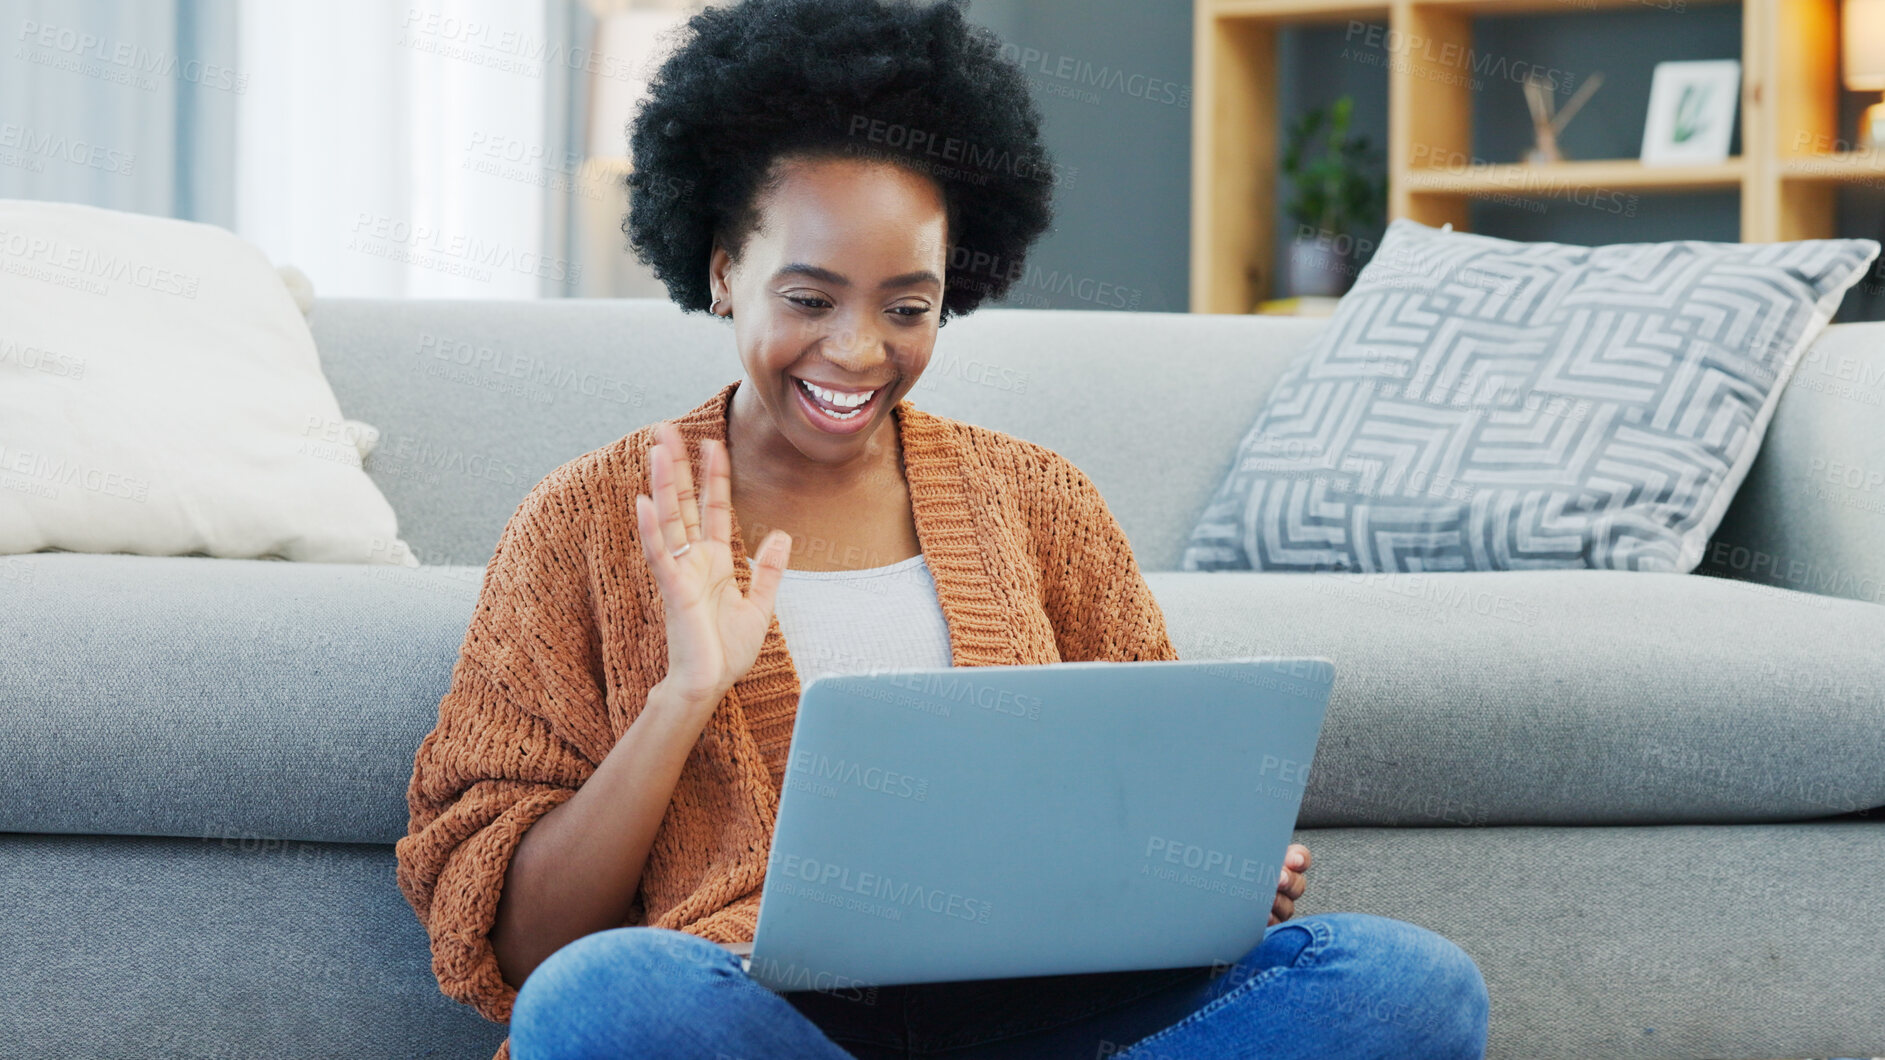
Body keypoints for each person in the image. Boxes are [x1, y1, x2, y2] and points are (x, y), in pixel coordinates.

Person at [393, 1, 1490, 1057]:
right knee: (602, 999)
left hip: (1055, 1010)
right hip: (760, 1012)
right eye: (810, 299)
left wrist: (1207, 870)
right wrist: (683, 696)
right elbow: (524, 948)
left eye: (906, 308)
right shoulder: (582, 523)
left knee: (1407, 982)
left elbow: (1154, 804)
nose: (858, 352)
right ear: (724, 272)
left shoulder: (1040, 500)